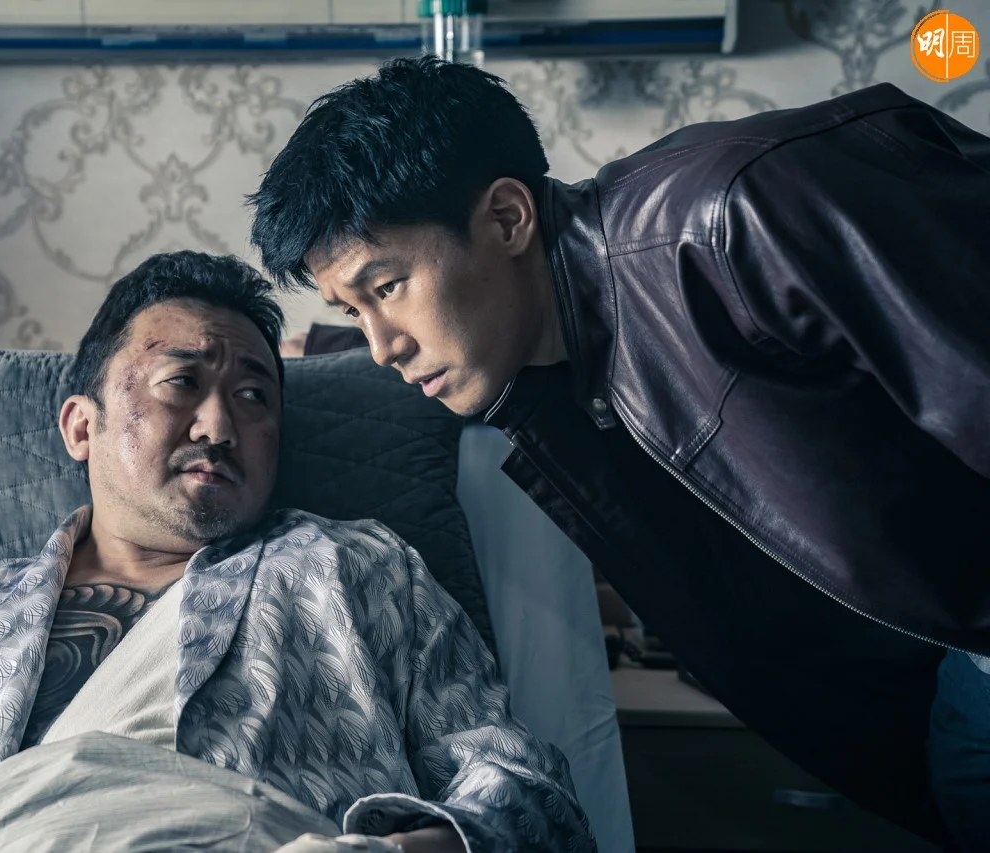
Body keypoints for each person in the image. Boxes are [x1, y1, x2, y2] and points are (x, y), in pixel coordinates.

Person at [248, 56, 990, 850]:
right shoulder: (548, 367)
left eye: (387, 287)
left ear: (507, 219)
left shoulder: (747, 213)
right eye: (352, 311)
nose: (382, 346)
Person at [0, 251, 594, 853]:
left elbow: (534, 804)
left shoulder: (364, 573)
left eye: (254, 396)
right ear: (81, 425)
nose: (220, 423)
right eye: (182, 382)